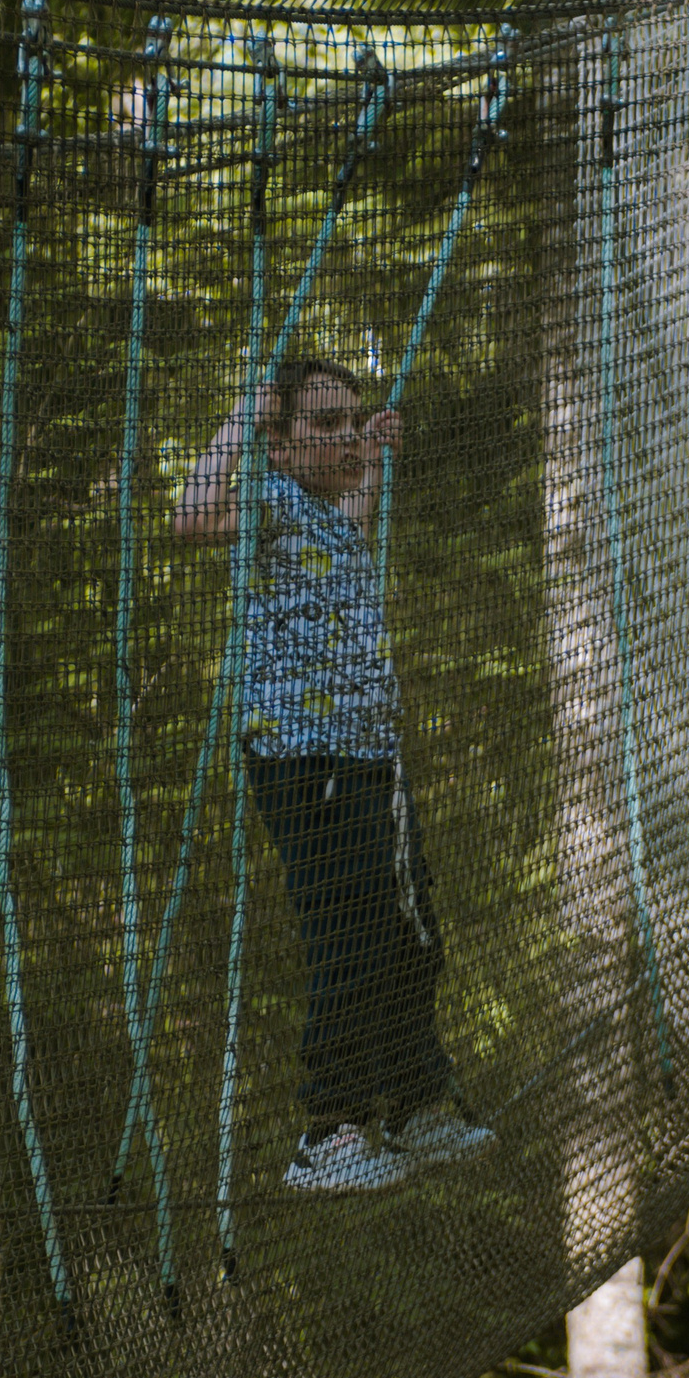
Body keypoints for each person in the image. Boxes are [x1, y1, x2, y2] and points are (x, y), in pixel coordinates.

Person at [175, 356, 495, 1193]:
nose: (345, 433)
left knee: (411, 930)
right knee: (347, 936)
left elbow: (358, 506)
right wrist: (245, 407)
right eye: (324, 424)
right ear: (279, 445)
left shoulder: (328, 516)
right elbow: (191, 515)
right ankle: (329, 1131)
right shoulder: (272, 505)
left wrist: (373, 457)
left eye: (352, 418)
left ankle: (416, 1107)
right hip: (303, 760)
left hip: (369, 759)